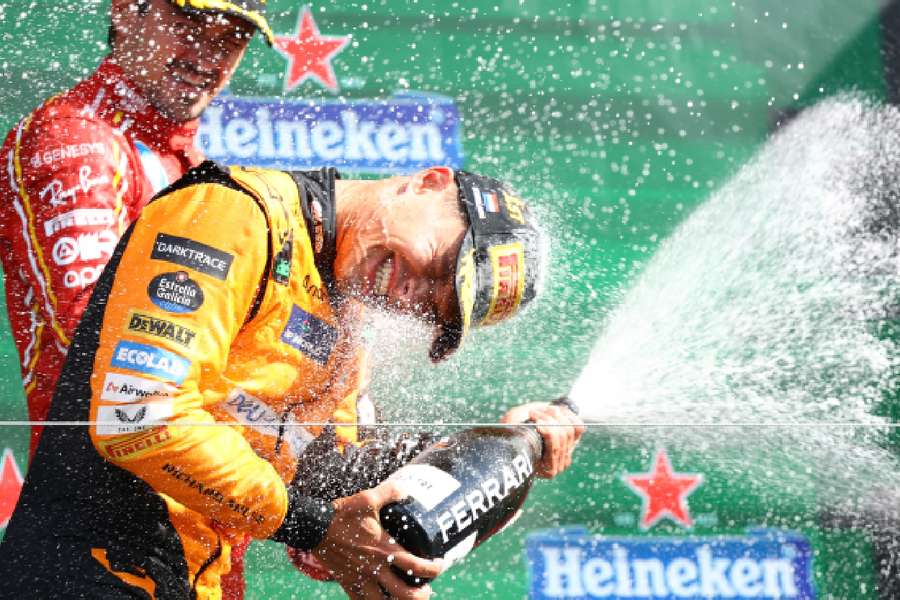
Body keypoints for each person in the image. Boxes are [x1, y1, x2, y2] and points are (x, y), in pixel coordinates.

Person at [0, 162, 584, 598]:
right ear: (426, 182)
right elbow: (139, 418)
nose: (414, 295)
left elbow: (349, 500)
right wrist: (315, 525)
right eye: (441, 267)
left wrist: (504, 457)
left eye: (437, 309)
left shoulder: (345, 328)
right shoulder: (233, 213)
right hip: (84, 574)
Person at [0, 3, 273, 596]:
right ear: (126, 10)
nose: (210, 53)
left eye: (233, 38)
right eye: (191, 24)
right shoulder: (75, 138)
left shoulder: (192, 165)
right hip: (101, 549)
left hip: (189, 542)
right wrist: (285, 436)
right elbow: (112, 356)